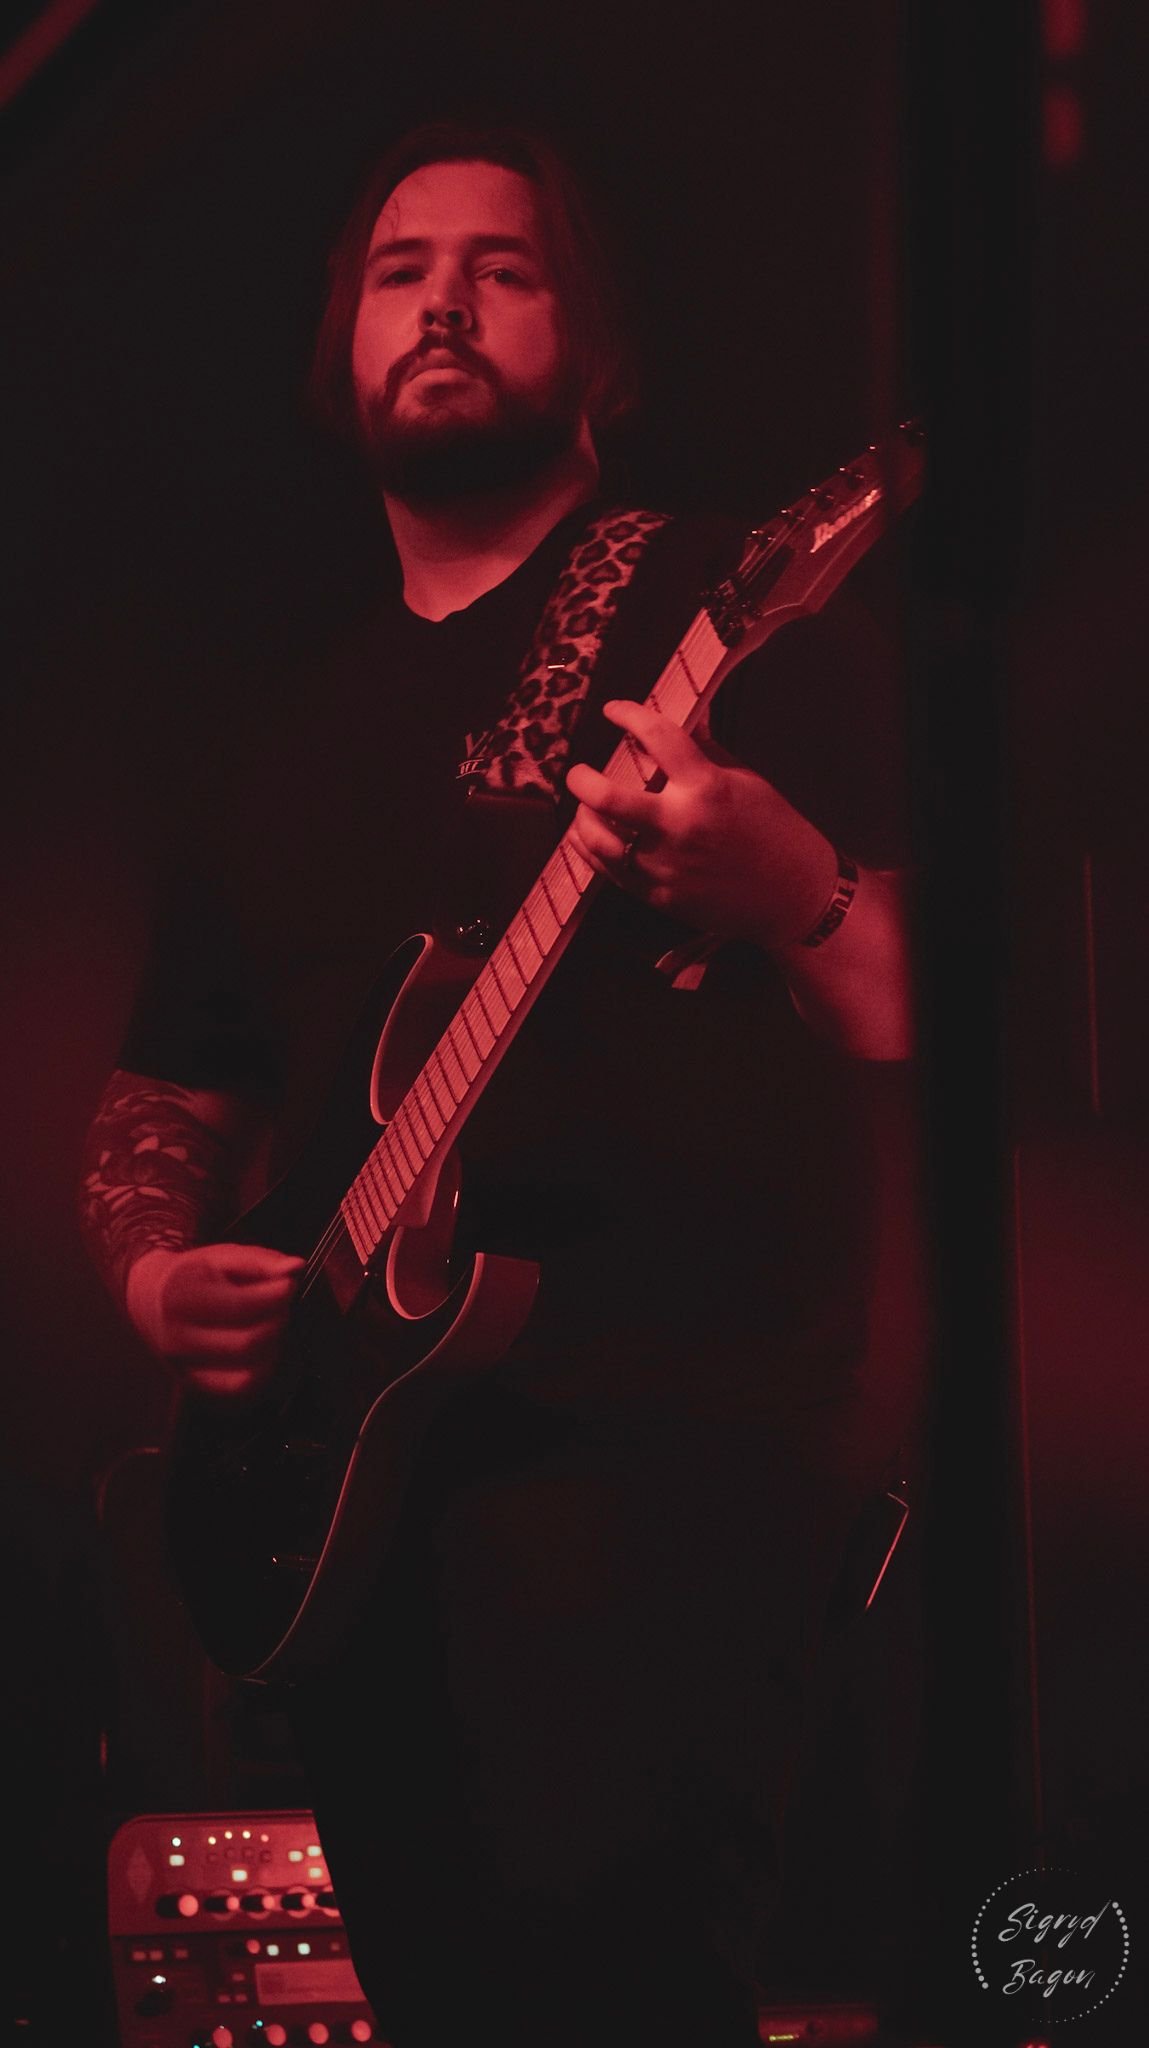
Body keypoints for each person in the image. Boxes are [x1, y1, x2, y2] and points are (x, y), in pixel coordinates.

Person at [81, 119, 917, 2047]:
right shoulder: (276, 737)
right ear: (343, 349)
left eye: (503, 267)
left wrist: (790, 883)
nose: (443, 301)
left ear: (594, 351)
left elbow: (919, 1011)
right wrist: (153, 1276)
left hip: (663, 1485)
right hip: (352, 1523)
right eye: (401, 271)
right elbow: (167, 1097)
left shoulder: (721, 604)